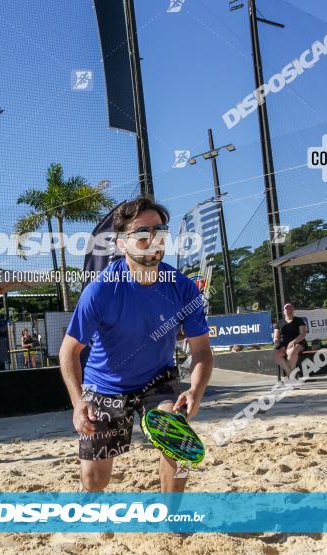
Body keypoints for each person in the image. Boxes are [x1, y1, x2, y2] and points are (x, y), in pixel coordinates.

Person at [59, 196, 213, 493]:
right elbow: (69, 351)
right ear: (120, 244)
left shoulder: (181, 287)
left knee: (176, 437)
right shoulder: (100, 291)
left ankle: (173, 520)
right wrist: (79, 403)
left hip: (158, 378)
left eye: (160, 232)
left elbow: (202, 350)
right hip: (105, 385)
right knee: (95, 479)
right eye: (142, 234)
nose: (153, 240)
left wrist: (196, 389)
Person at [273, 303, 307, 379]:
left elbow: (302, 334)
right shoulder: (279, 323)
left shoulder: (299, 320)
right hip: (284, 344)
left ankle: (291, 378)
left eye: (291, 309)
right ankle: (291, 374)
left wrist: (293, 342)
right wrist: (276, 343)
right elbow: (276, 337)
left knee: (291, 351)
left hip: (299, 342)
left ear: (293, 310)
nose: (289, 311)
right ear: (284, 311)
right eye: (287, 309)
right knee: (276, 354)